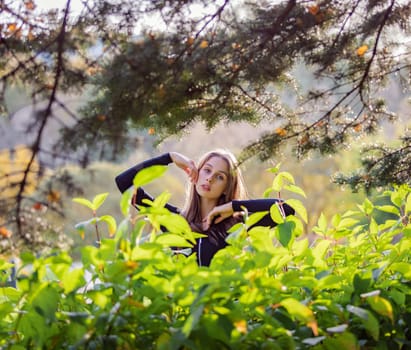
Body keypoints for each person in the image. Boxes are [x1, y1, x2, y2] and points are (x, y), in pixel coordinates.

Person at [115, 150, 294, 266]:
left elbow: (285, 209)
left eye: (219, 177)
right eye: (207, 170)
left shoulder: (238, 225)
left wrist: (234, 206)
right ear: (197, 173)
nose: (209, 179)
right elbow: (124, 182)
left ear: (227, 187)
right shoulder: (173, 220)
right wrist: (169, 158)